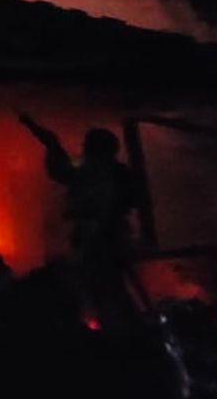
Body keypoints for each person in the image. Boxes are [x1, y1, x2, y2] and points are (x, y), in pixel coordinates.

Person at [19, 112, 146, 333]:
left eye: (88, 145)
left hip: (100, 235)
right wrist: (48, 140)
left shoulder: (95, 171)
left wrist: (50, 142)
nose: (84, 148)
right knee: (109, 284)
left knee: (102, 283)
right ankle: (124, 327)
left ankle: (119, 330)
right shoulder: (117, 172)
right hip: (109, 234)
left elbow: (63, 171)